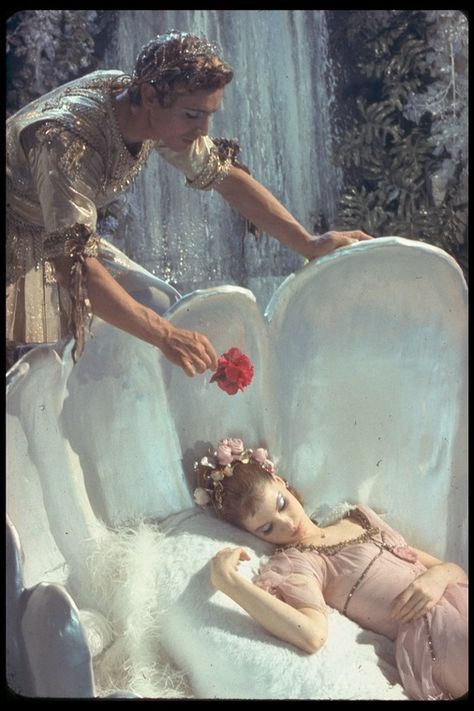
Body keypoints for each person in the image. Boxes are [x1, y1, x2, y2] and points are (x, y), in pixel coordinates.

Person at [6, 30, 372, 372]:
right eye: (193, 115)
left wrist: (308, 243)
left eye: (208, 115)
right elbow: (75, 265)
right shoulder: (67, 141)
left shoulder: (145, 107)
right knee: (38, 372)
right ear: (149, 96)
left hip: (56, 237)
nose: (204, 130)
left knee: (162, 306)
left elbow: (225, 176)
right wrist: (164, 336)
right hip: (16, 247)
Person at [193, 438, 468, 701]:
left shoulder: (359, 518)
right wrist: (229, 582)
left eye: (281, 505)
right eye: (267, 528)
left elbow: (452, 570)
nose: (287, 524)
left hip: (457, 597)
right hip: (437, 637)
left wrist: (437, 577)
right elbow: (312, 635)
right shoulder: (297, 562)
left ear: (280, 482)